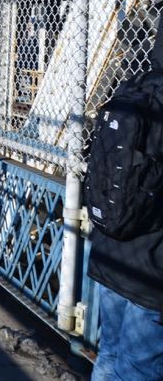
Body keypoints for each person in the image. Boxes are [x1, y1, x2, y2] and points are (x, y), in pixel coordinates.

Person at [87, 20, 163, 381]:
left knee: (110, 354)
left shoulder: (134, 88)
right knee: (138, 370)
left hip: (110, 251)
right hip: (151, 269)